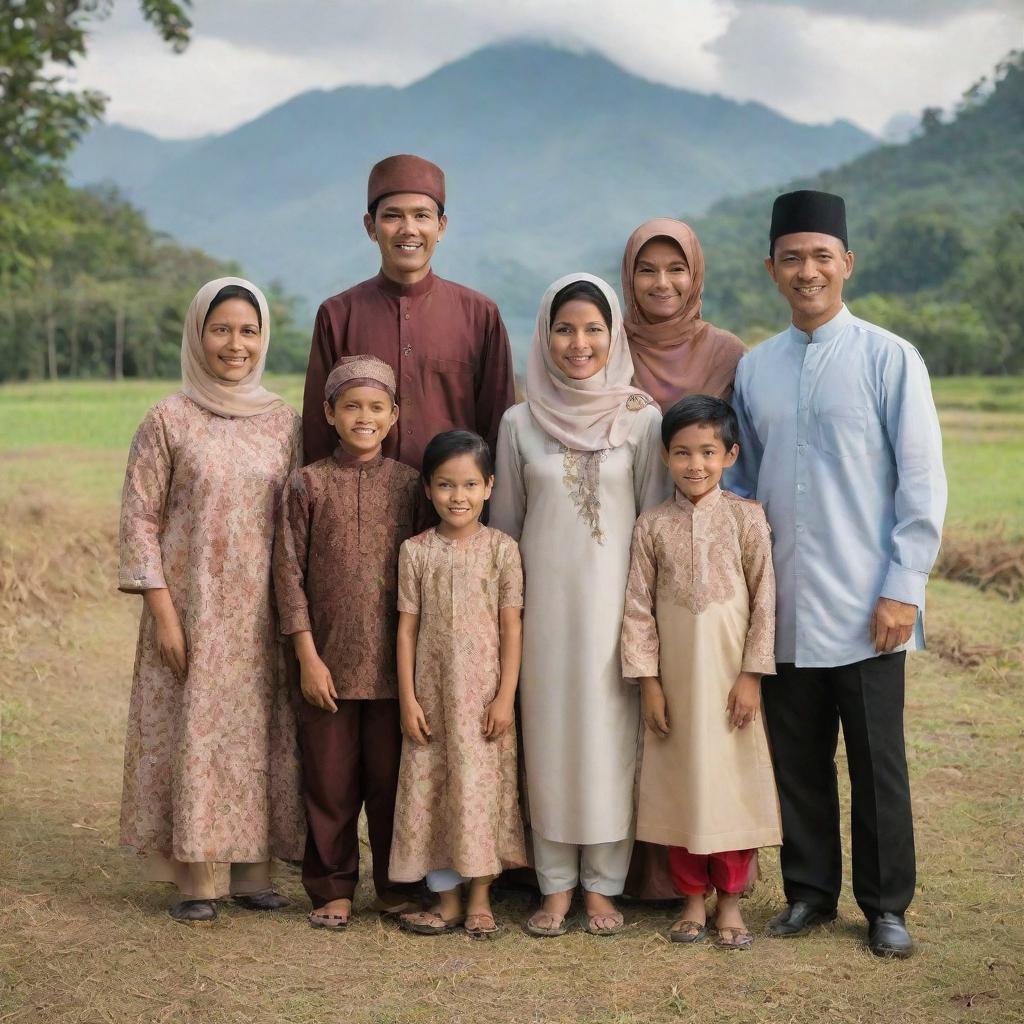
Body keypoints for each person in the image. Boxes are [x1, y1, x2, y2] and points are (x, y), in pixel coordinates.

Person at [728, 189, 947, 958]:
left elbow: (921, 483)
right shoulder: (756, 370)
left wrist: (903, 587)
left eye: (822, 256)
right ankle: (809, 892)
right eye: (793, 258)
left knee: (876, 763)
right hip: (784, 603)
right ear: (771, 269)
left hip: (868, 604)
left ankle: (887, 905)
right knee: (797, 761)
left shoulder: (890, 358)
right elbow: (739, 484)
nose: (808, 270)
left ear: (846, 264)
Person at [118, 277, 305, 924]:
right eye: (221, 329)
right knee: (196, 732)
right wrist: (162, 613)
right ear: (198, 334)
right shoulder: (167, 418)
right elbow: (140, 518)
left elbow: (302, 516)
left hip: (263, 610)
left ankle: (256, 871)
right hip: (191, 608)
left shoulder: (284, 421)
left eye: (249, 330)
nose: (236, 344)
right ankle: (197, 879)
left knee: (262, 735)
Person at [490, 273, 669, 938]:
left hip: (618, 617)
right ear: (543, 334)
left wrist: (647, 622)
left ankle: (603, 887)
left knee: (613, 747)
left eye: (594, 328)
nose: (579, 342)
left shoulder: (642, 420)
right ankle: (556, 886)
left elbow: (653, 528)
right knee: (550, 745)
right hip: (543, 622)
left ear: (615, 333)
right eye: (564, 327)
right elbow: (504, 533)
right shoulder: (519, 421)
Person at [621, 395, 781, 950]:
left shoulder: (747, 518)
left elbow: (765, 602)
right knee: (682, 784)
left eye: (708, 452)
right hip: (675, 685)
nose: (695, 464)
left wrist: (752, 676)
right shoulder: (652, 526)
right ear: (665, 457)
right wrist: (649, 684)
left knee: (730, 784)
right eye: (683, 453)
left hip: (731, 682)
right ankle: (691, 898)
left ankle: (731, 901)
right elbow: (637, 609)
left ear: (730, 454)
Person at [273, 355, 425, 929]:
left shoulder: (411, 485)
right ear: (329, 413)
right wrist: (306, 656)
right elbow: (287, 573)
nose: (365, 417)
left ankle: (394, 885)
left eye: (377, 407)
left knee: (390, 783)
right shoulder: (307, 484)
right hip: (327, 664)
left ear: (394, 416)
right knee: (329, 782)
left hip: (394, 668)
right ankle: (331, 886)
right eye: (352, 406)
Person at [389, 430, 527, 939]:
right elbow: (406, 629)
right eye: (446, 485)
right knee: (434, 793)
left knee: (480, 792)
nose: (458, 497)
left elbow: (511, 626)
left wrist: (505, 695)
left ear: (489, 487)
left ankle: (481, 898)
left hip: (483, 701)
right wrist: (408, 698)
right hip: (430, 698)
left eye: (469, 484)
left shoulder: (503, 550)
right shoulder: (415, 552)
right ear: (428, 489)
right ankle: (445, 899)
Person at [302, 153, 516, 470]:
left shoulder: (480, 315)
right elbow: (318, 434)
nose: (408, 229)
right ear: (370, 227)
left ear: (441, 226)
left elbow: (499, 431)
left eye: (421, 216)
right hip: (358, 514)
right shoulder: (337, 315)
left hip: (453, 512)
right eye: (392, 216)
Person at [621, 218, 746, 413]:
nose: (662, 283)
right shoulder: (611, 350)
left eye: (676, 269)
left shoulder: (726, 354)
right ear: (630, 277)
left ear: (695, 275)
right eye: (647, 270)